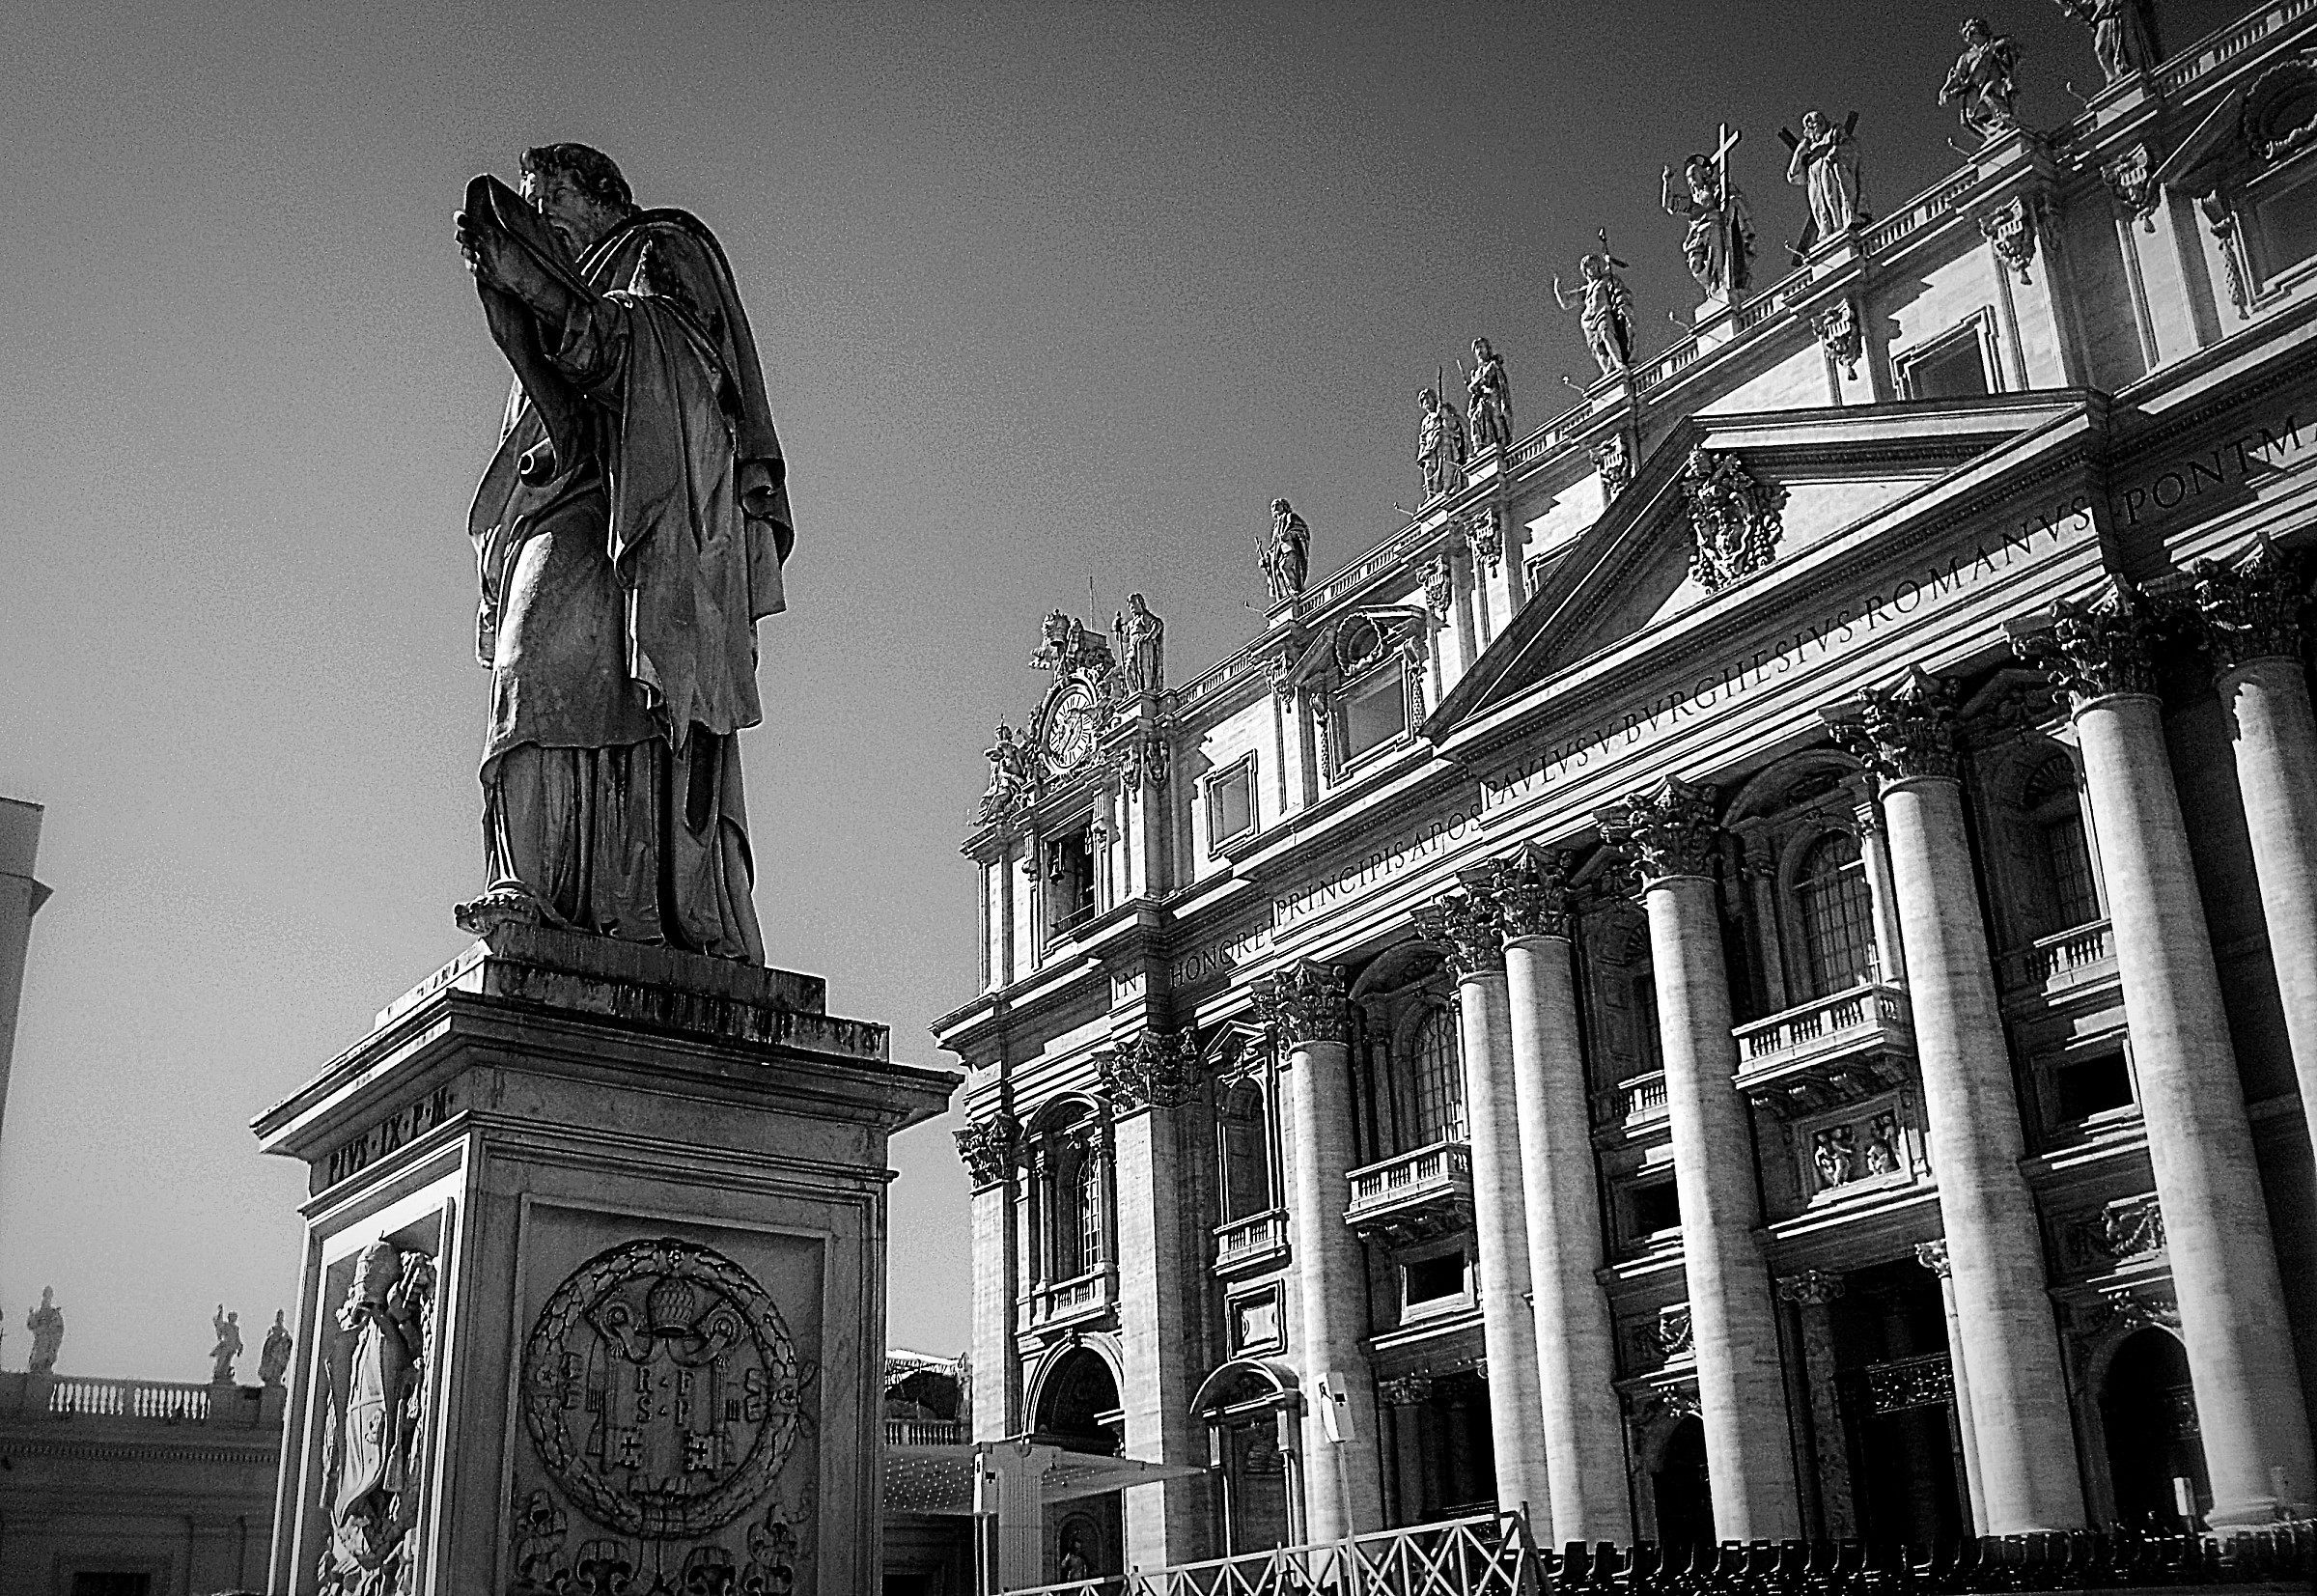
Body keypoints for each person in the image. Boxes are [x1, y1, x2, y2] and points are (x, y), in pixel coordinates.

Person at [453, 143, 794, 961]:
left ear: (601, 197)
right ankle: (531, 885)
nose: (544, 226)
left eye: (550, 206)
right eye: (532, 213)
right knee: (522, 674)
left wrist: (547, 292)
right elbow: (553, 414)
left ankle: (628, 894)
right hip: (564, 497)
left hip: (646, 506)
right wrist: (514, 306)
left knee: (575, 675)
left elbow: (679, 365)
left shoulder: (661, 247)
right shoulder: (576, 277)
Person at [1661, 152, 1754, 301]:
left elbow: (1734, 200)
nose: (1691, 181)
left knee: (1718, 262)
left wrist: (1729, 208)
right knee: (1695, 265)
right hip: (1698, 236)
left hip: (1715, 229)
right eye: (1688, 178)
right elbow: (1669, 205)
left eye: (1693, 176)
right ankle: (1714, 289)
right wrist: (1668, 182)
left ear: (1703, 174)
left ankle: (1720, 287)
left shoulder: (1717, 190)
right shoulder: (1693, 201)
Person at [1785, 110, 1863, 251]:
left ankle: (1840, 226)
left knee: (1833, 201)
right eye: (1812, 125)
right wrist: (1798, 154)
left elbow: (1851, 149)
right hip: (1815, 182)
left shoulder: (1834, 134)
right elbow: (1793, 177)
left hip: (1831, 173)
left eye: (1818, 123)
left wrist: (1835, 152)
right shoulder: (1807, 148)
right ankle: (1827, 232)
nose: (1816, 127)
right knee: (1820, 208)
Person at [1553, 253, 1636, 377]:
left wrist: (1622, 307)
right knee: (1598, 348)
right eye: (1589, 267)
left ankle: (1618, 363)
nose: (1592, 269)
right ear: (1585, 271)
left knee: (1607, 333)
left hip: (1603, 312)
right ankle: (1608, 371)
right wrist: (1557, 287)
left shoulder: (1607, 279)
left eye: (1594, 266)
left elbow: (1620, 292)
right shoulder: (1586, 289)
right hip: (1588, 320)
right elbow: (1567, 302)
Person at [1940, 18, 2021, 144]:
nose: (1969, 33)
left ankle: (2005, 126)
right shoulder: (1966, 57)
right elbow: (1957, 77)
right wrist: (1946, 90)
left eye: (1971, 29)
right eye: (1966, 32)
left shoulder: (1997, 43)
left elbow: (2013, 56)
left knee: (1989, 94)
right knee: (1968, 119)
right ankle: (1992, 137)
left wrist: (2000, 49)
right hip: (1973, 92)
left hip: (1996, 84)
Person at [1416, 388, 1468, 500]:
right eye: (1424, 400)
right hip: (1430, 448)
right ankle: (1431, 493)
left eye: (1428, 399)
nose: (1426, 402)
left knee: (1446, 465)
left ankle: (1446, 489)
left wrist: (1445, 415)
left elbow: (1454, 425)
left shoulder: (1443, 411)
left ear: (1433, 399)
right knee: (1428, 468)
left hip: (1444, 442)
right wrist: (1421, 453)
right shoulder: (1425, 421)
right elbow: (1423, 438)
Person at [1466, 338, 1512, 453]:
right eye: (1477, 348)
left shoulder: (1493, 365)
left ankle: (1501, 442)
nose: (1479, 350)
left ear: (1487, 349)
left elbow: (1497, 381)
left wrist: (1504, 403)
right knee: (1476, 419)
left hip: (1493, 396)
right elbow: (1476, 391)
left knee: (1495, 419)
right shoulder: (1476, 372)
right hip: (1482, 399)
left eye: (1481, 347)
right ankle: (1480, 444)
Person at [1113, 594, 1164, 694]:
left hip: (1143, 647)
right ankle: (1133, 693)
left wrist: (1149, 636)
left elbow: (1158, 624)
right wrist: (1117, 630)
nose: (1132, 607)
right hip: (1133, 649)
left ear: (1140, 603)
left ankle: (1146, 689)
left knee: (1143, 668)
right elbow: (1124, 639)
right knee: (1128, 669)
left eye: (1134, 603)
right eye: (1130, 605)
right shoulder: (1130, 623)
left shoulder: (1145, 617)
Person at [1264, 500, 1310, 604]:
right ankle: (1286, 594)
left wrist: (1289, 535)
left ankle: (1293, 589)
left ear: (1284, 506)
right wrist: (1266, 558)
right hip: (1278, 553)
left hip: (1289, 547)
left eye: (1277, 505)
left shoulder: (1291, 517)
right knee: (1279, 572)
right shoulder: (1275, 527)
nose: (1274, 507)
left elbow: (1302, 531)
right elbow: (1273, 546)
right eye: (1272, 506)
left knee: (1285, 566)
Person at [26, 1286, 62, 1376]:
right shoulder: (39, 1311)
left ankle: (44, 1370)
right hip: (41, 1339)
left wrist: (51, 1328)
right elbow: (31, 1325)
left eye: (49, 1294)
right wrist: (31, 1316)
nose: (47, 1297)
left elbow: (59, 1328)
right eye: (46, 1294)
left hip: (49, 1340)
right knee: (37, 1357)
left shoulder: (54, 1312)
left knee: (47, 1357)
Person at [259, 1309, 294, 1386]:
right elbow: (269, 1342)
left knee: (277, 1366)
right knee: (271, 1364)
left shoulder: (284, 1331)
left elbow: (288, 1341)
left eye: (281, 1317)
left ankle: (275, 1379)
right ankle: (270, 1379)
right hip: (272, 1351)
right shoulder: (272, 1330)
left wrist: (285, 1340)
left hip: (279, 1352)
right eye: (279, 1316)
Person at [210, 1305, 243, 1384]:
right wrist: (221, 1312)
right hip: (225, 1345)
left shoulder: (236, 1328)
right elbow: (219, 1324)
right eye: (233, 1317)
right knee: (221, 1361)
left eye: (235, 1317)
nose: (234, 1319)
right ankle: (218, 1374)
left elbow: (237, 1338)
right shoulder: (226, 1325)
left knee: (227, 1361)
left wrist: (240, 1346)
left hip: (232, 1347)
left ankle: (224, 1374)